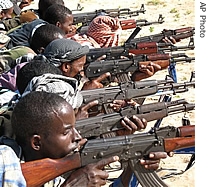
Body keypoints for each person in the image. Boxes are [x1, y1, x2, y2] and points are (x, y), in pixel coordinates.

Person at [8, 91, 169, 187]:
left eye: (75, 128)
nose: (78, 137)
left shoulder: (55, 171)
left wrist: (134, 165)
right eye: (67, 132)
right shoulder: (6, 166)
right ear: (36, 143)